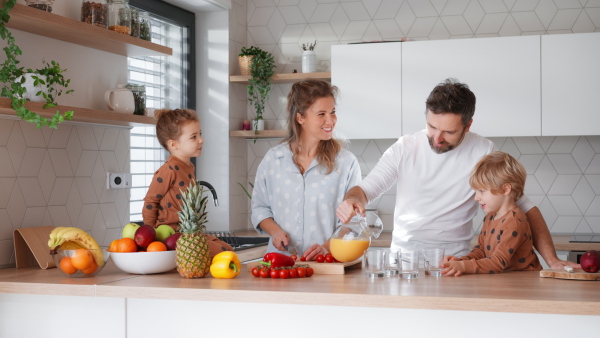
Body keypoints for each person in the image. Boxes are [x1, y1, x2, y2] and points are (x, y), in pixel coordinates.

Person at [336, 78, 577, 269]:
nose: (437, 138)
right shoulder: (405, 147)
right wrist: (353, 199)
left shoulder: (482, 151)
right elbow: (366, 189)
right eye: (432, 127)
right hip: (403, 262)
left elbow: (523, 206)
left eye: (449, 132)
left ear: (468, 125)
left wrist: (553, 260)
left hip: (456, 263)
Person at [251, 79, 361, 260]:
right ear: (300, 117)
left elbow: (354, 221)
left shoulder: (346, 163)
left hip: (327, 265)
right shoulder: (273, 160)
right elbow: (259, 208)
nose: (331, 120)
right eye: (321, 114)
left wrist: (326, 248)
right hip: (281, 264)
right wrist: (276, 232)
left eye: (333, 112)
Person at [142, 108, 232, 256]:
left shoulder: (188, 166)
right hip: (172, 236)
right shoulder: (168, 169)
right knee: (223, 254)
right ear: (174, 144)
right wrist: (150, 239)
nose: (201, 140)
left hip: (189, 233)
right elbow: (150, 203)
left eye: (200, 134)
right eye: (193, 137)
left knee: (227, 249)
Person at [442, 151, 542, 276]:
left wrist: (463, 266)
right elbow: (482, 251)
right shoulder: (491, 217)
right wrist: (461, 261)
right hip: (506, 280)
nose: (476, 198)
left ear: (505, 189)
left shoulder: (514, 221)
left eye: (482, 191)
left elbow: (497, 262)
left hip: (525, 281)